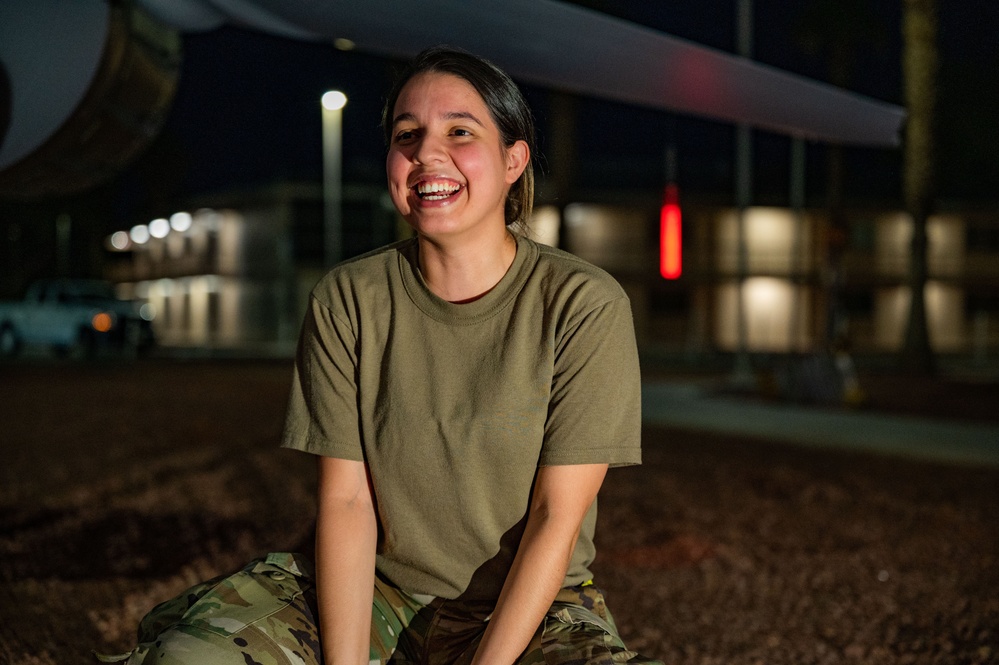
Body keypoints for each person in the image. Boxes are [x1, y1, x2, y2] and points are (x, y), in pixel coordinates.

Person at [104, 45, 660, 665]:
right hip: (376, 594)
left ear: (513, 160)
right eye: (407, 134)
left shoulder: (582, 303)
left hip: (526, 607)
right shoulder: (350, 298)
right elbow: (347, 502)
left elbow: (556, 515)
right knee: (186, 659)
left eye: (459, 132)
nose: (427, 153)